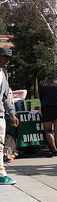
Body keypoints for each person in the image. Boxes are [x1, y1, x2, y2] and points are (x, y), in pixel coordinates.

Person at [0, 47, 18, 186]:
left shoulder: (3, 73)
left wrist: (12, 114)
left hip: (1, 115)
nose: (7, 61)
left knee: (0, 145)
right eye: (5, 58)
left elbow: (6, 97)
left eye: (8, 59)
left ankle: (1, 172)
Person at [38, 77, 57, 157]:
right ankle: (56, 150)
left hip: (47, 109)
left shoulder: (42, 88)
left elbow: (41, 99)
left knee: (48, 130)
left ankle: (54, 150)